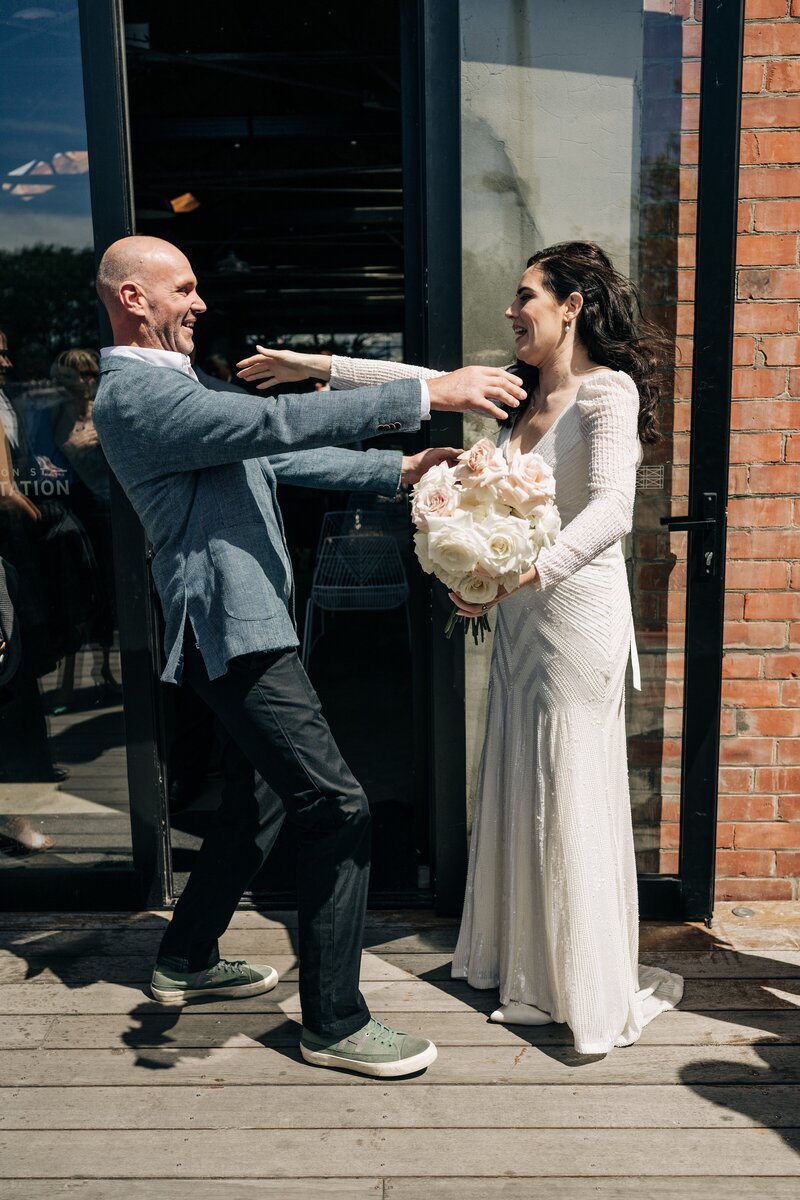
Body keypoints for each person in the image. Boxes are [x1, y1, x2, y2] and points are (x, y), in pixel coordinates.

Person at [92, 234, 526, 1078]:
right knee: (338, 808)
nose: (201, 302)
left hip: (244, 628)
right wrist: (426, 390)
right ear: (134, 299)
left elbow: (281, 452)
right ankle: (333, 1021)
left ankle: (185, 957)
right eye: (184, 287)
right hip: (231, 629)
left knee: (257, 799)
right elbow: (271, 419)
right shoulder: (132, 394)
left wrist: (401, 469)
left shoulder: (173, 384)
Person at [237, 240, 684, 1056]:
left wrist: (522, 573)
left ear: (572, 306)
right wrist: (311, 363)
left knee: (568, 779)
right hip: (517, 620)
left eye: (526, 298)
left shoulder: (605, 393)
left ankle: (582, 985)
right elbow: (415, 376)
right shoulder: (516, 399)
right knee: (518, 771)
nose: (511, 313)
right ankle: (525, 962)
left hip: (573, 615)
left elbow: (616, 509)